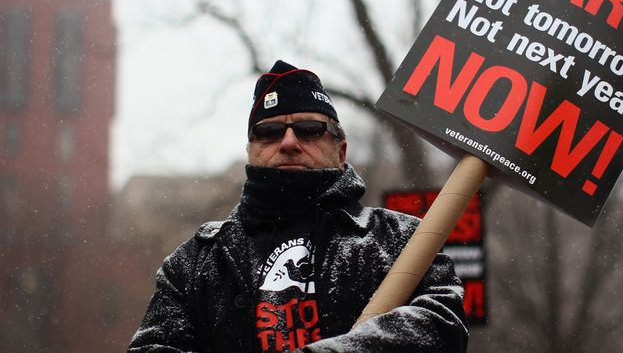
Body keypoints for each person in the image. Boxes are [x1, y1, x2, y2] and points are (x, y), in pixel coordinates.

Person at [128, 60, 468, 353]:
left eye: (309, 130)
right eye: (269, 131)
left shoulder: (403, 241)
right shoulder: (195, 264)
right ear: (251, 150)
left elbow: (442, 325)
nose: (289, 142)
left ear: (341, 152)